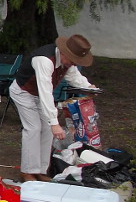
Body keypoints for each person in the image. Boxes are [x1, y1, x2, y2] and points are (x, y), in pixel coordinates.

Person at [9, 34, 96, 182]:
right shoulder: (44, 60)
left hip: (40, 95)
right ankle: (28, 172)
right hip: (23, 92)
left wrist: (89, 87)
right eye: (73, 60)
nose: (74, 64)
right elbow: (45, 91)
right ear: (64, 53)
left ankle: (41, 171)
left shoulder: (67, 63)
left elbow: (74, 77)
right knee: (33, 128)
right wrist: (54, 122)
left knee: (47, 130)